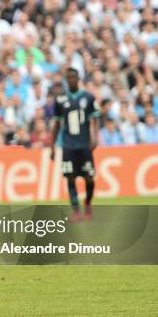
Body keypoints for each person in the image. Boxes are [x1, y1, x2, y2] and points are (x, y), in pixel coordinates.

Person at [50, 68, 99, 221]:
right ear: (66, 79)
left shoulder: (88, 98)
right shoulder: (60, 99)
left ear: (78, 78)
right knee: (70, 177)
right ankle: (76, 210)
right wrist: (52, 146)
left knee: (89, 178)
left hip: (84, 145)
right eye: (69, 77)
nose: (71, 80)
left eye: (74, 77)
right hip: (68, 145)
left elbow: (95, 119)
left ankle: (88, 203)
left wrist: (94, 136)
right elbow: (57, 124)